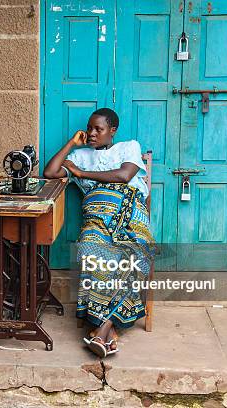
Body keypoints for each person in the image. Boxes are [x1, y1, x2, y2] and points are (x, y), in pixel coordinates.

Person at [43, 108, 155, 358]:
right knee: (90, 250)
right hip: (96, 221)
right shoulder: (80, 155)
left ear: (112, 131)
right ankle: (108, 333)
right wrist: (71, 144)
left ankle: (100, 329)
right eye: (90, 128)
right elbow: (50, 173)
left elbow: (125, 176)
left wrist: (81, 174)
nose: (92, 134)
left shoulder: (128, 147)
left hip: (130, 216)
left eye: (99, 129)